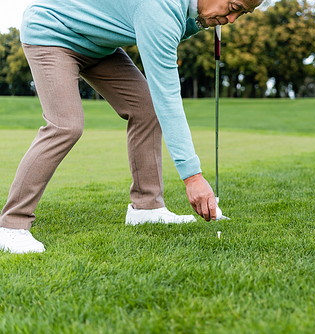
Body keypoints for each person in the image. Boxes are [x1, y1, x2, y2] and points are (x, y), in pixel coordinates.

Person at [0, 0, 263, 254]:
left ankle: (147, 208)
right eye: (233, 8)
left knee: (146, 108)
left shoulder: (178, 9)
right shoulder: (158, 8)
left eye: (241, 14)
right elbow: (167, 96)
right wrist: (192, 176)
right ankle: (11, 225)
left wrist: (198, 22)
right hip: (53, 32)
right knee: (65, 125)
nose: (231, 20)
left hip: (97, 45)